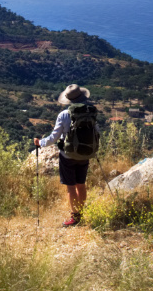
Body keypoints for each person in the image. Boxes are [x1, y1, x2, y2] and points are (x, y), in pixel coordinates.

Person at [34, 83, 96, 227]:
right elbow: (96, 131)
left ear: (69, 99)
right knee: (81, 185)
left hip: (67, 156)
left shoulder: (63, 115)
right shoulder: (91, 112)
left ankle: (75, 218)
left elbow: (54, 137)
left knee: (71, 187)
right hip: (85, 154)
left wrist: (40, 143)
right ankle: (81, 213)